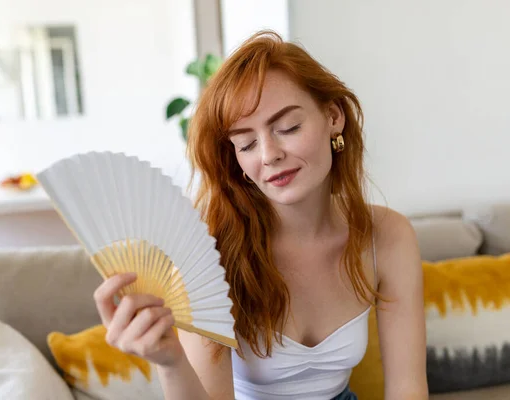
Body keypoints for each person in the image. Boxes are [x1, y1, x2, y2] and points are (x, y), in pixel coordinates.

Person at [93, 30, 428, 399]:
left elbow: (408, 387)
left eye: (288, 128)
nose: (268, 155)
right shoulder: (209, 257)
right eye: (247, 143)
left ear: (333, 116)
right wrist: (170, 361)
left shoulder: (389, 237)